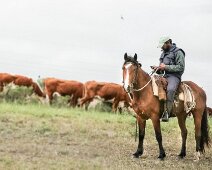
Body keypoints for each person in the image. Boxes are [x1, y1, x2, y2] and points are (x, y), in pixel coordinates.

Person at [151, 36, 185, 122]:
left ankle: (167, 112)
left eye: (163, 45)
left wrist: (166, 67)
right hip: (164, 76)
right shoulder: (163, 53)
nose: (161, 47)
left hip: (174, 76)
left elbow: (181, 67)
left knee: (170, 89)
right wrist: (157, 68)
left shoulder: (178, 52)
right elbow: (162, 70)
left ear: (168, 43)